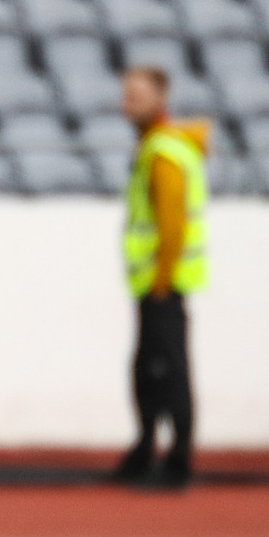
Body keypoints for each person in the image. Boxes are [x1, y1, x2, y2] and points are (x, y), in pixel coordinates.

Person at [114, 66, 210, 488]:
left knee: (168, 372)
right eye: (126, 94)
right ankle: (148, 450)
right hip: (158, 284)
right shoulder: (158, 146)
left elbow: (172, 226)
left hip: (163, 285)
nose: (127, 103)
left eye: (136, 95)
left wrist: (160, 283)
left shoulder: (163, 152)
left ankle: (177, 460)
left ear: (160, 99)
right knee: (150, 370)